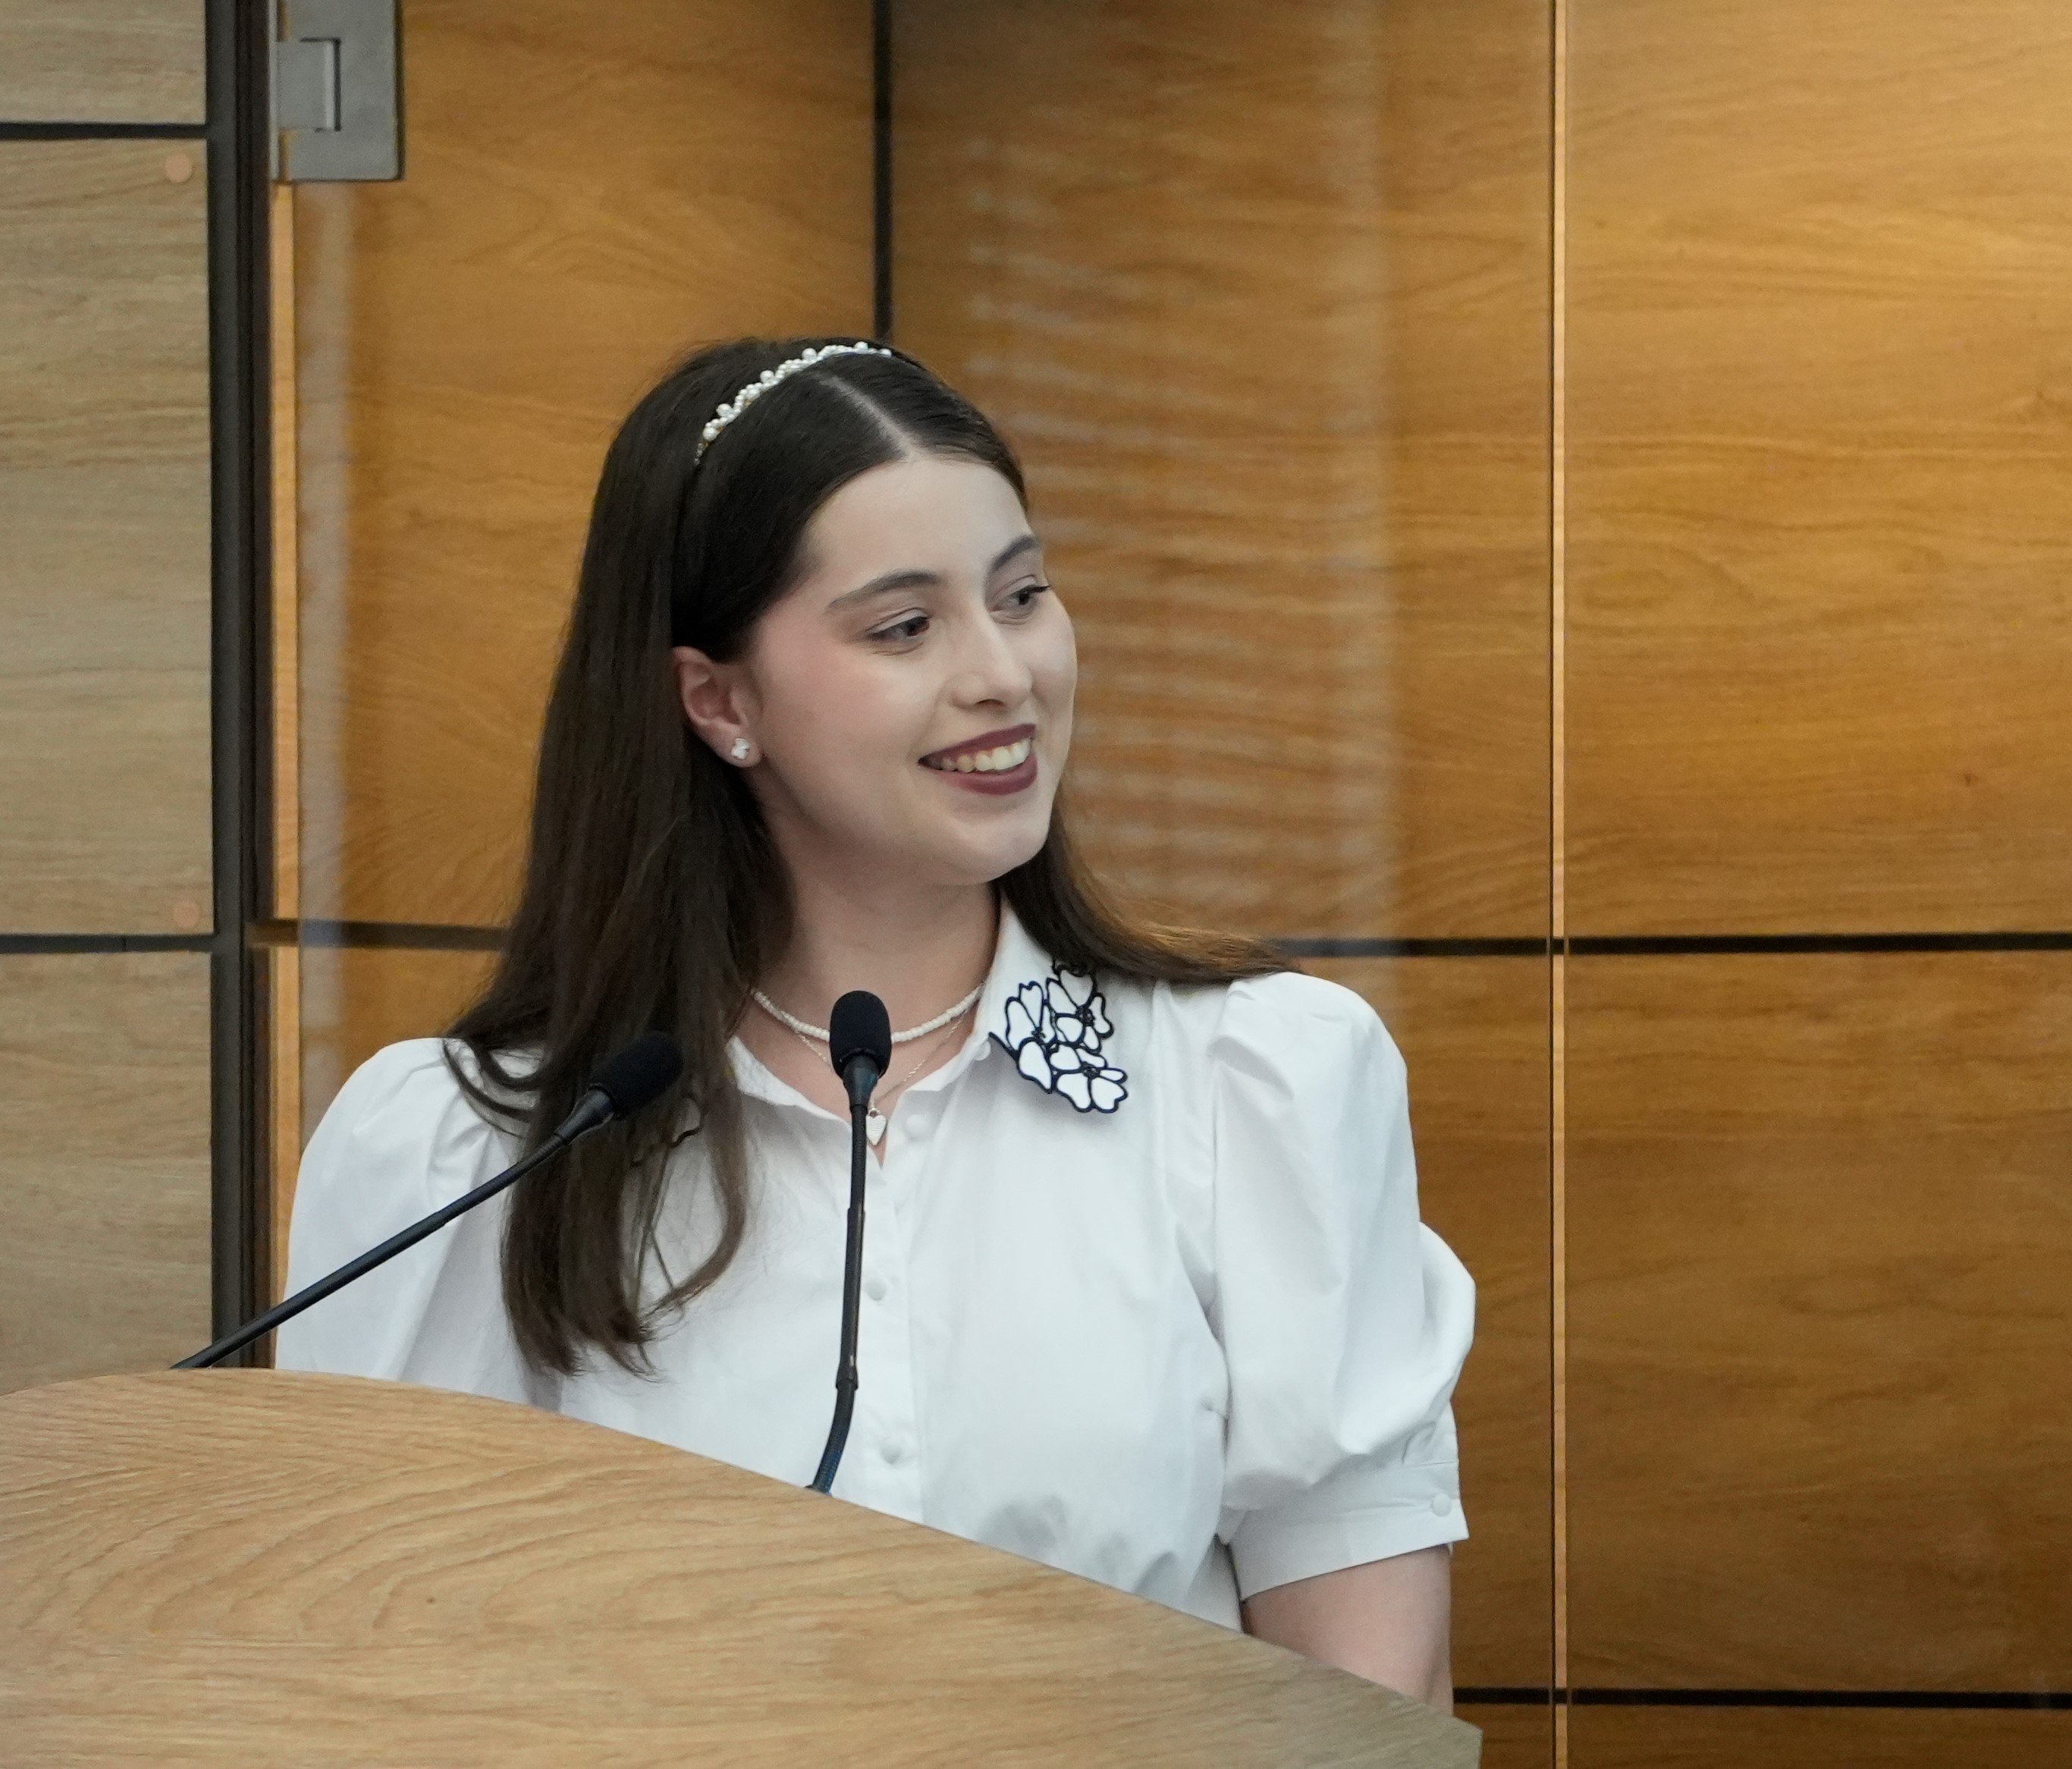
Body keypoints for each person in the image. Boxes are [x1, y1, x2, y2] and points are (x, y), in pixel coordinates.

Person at [277, 338, 1474, 1708]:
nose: (1003, 675)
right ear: (720, 700)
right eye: (905, 628)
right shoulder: (483, 1148)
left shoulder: (1252, 1084)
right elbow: (374, 1683)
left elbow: (1371, 1692)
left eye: (1020, 596)